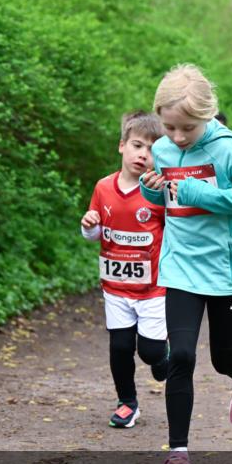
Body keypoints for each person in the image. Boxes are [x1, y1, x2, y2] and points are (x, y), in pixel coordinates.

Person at [140, 64, 232, 464]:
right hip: (180, 266)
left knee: (221, 358)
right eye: (170, 127)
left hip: (224, 271)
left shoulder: (227, 150)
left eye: (187, 128)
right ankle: (177, 455)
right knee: (179, 356)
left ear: (207, 117)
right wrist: (150, 188)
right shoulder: (162, 149)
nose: (177, 137)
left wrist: (202, 193)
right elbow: (162, 200)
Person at [80, 111, 169, 429]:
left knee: (150, 352)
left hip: (153, 289)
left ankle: (163, 359)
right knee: (119, 347)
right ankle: (127, 403)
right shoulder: (103, 188)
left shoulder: (160, 193)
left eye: (152, 149)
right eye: (137, 145)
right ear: (122, 146)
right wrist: (89, 224)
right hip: (115, 288)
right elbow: (95, 232)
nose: (143, 154)